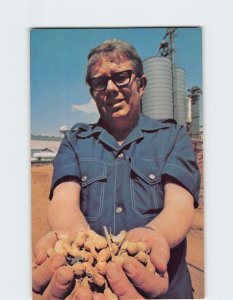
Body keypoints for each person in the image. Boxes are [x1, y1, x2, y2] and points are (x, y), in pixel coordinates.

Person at [32, 39, 200, 299]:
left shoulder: (173, 136)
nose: (110, 88)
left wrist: (155, 235)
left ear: (141, 85)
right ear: (93, 92)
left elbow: (181, 203)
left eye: (121, 77)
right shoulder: (75, 140)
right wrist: (73, 237)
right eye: (99, 82)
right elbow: (64, 199)